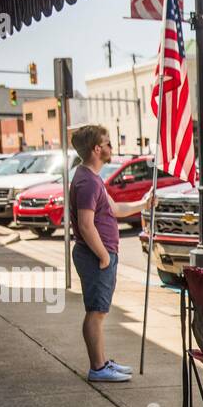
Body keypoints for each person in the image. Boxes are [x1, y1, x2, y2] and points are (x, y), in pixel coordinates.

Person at [68, 124, 154, 383]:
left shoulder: (92, 178)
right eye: (107, 143)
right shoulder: (87, 182)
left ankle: (102, 362)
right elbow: (85, 224)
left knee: (99, 311)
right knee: (96, 312)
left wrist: (143, 204)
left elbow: (114, 209)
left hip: (99, 256)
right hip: (95, 257)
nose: (111, 147)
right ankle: (97, 368)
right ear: (96, 149)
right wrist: (104, 256)